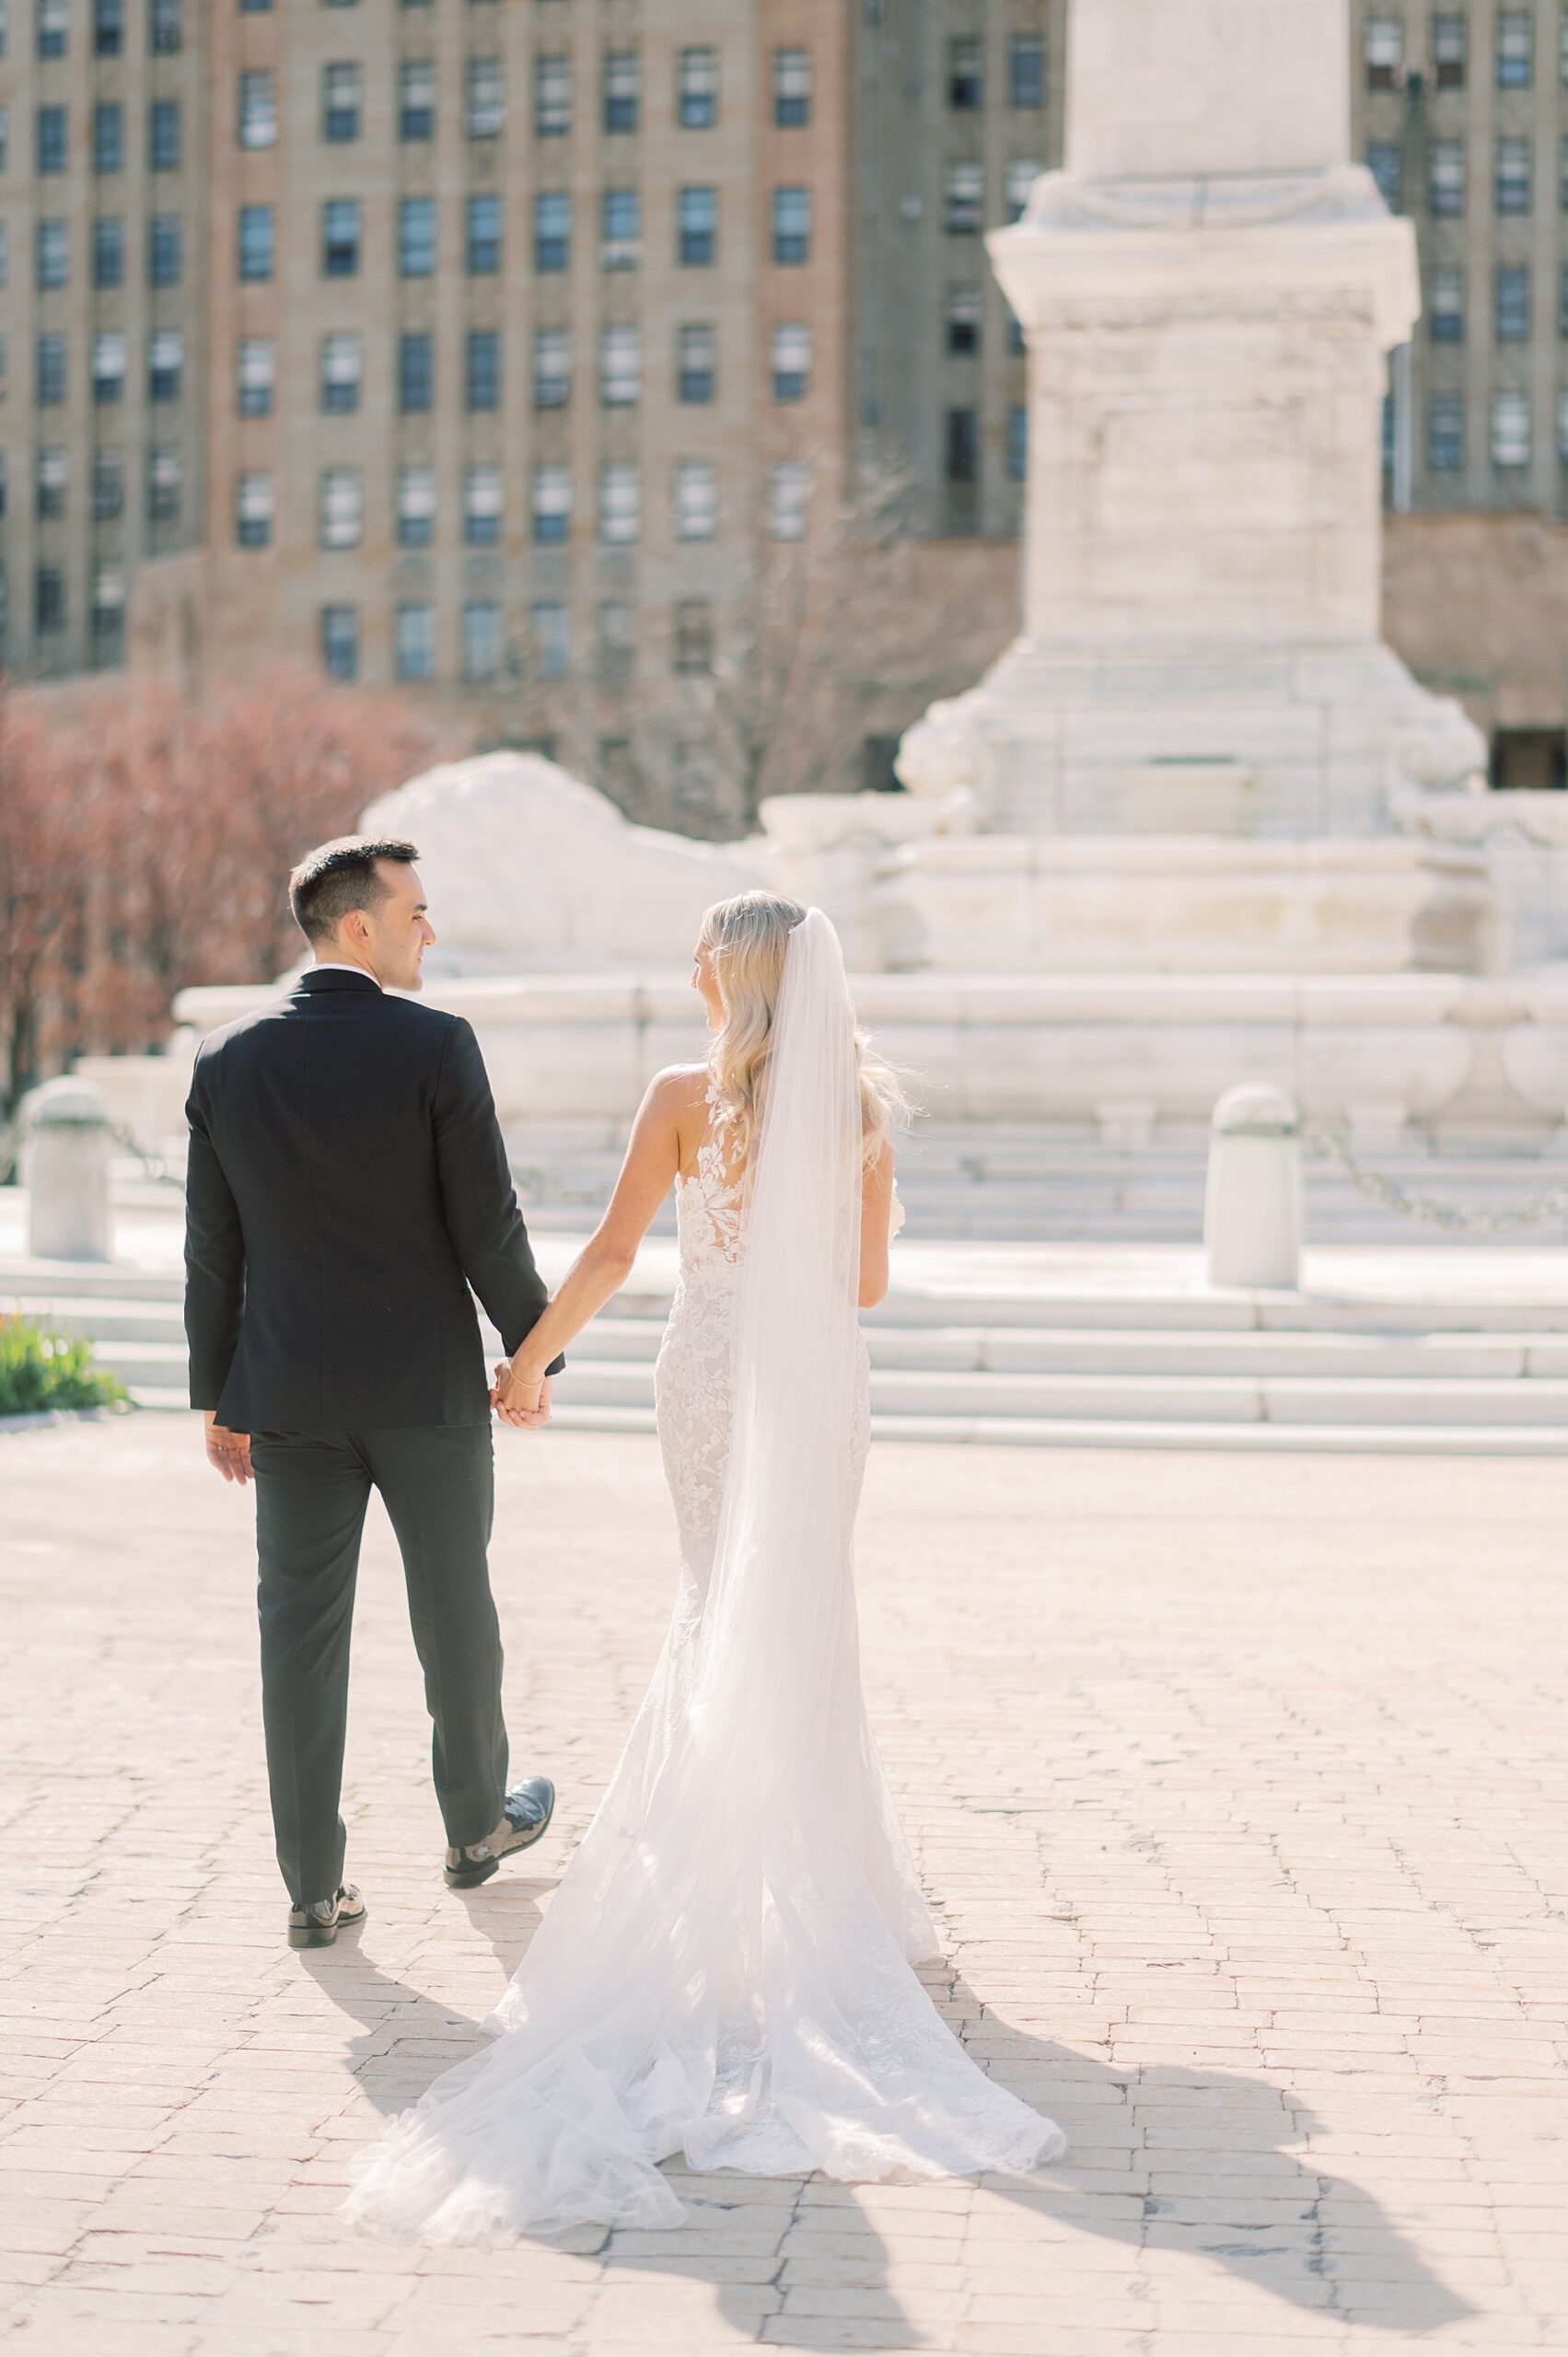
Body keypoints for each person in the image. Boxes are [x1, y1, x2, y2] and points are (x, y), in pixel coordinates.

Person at [343, 891, 1064, 2239]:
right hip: (813, 1381)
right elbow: (861, 1290)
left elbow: (618, 1251)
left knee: (712, 1606)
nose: (683, 962)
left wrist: (531, 1355)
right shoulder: (852, 1106)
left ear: (723, 973)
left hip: (707, 1372)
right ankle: (822, 1889)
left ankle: (718, 1896)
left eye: (697, 947)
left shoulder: (682, 1092)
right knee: (798, 1614)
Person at [183, 837, 563, 1951]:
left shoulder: (224, 1058)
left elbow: (215, 1251)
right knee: (455, 1611)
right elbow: (484, 1220)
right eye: (416, 913)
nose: (428, 932)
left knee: (296, 1636)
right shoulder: (436, 1044)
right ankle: (476, 1828)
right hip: (422, 1389)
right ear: (361, 926)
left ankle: (310, 1886)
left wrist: (219, 1396)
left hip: (287, 1392)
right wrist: (531, 1351)